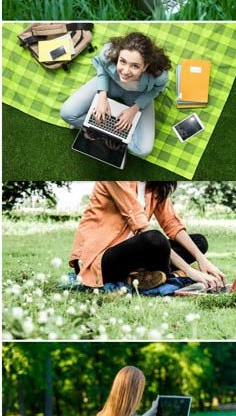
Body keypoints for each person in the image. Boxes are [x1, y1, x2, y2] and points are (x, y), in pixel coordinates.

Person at [68, 180, 225, 292]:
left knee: (199, 242)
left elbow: (172, 223)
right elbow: (140, 225)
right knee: (155, 239)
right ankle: (166, 274)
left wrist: (202, 260)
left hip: (130, 254)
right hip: (97, 258)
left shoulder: (156, 184)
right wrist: (190, 271)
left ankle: (141, 275)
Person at [60, 31, 171, 159]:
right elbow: (101, 68)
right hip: (110, 83)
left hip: (138, 95)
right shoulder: (108, 52)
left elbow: (156, 90)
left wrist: (134, 109)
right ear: (118, 56)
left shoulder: (159, 74)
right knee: (67, 113)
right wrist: (102, 96)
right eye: (122, 61)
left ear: (145, 66)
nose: (125, 71)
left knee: (143, 150)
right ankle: (106, 133)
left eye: (135, 66)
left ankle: (100, 132)